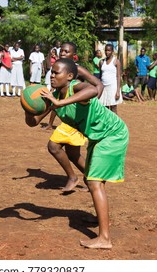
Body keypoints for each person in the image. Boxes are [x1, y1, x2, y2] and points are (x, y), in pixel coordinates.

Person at [25, 58, 129, 249]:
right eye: (51, 72)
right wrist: (27, 105)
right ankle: (102, 220)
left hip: (113, 134)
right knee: (93, 179)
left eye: (57, 72)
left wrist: (60, 102)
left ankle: (104, 238)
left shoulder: (75, 88)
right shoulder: (55, 95)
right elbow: (32, 122)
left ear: (70, 76)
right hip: (98, 137)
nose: (52, 75)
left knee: (93, 182)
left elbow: (92, 89)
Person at [44, 42, 103, 192]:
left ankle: (74, 177)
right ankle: (91, 177)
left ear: (73, 55)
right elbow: (56, 101)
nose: (62, 53)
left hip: (78, 114)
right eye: (61, 51)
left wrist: (91, 105)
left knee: (54, 145)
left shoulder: (78, 70)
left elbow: (97, 85)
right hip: (68, 114)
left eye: (66, 51)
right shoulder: (58, 71)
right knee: (73, 153)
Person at [99, 44, 122, 114]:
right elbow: (100, 76)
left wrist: (118, 90)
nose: (107, 52)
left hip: (113, 87)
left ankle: (115, 124)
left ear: (112, 51)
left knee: (113, 107)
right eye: (106, 50)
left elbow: (118, 76)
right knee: (105, 107)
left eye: (109, 50)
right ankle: (107, 123)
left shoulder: (116, 61)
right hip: (104, 87)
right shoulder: (101, 62)